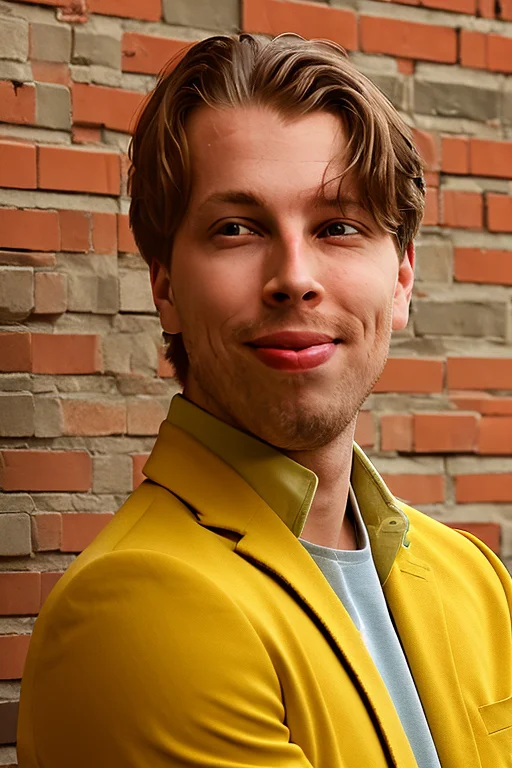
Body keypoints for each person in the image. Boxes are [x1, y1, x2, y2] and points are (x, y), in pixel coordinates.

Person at [17, 34, 512, 768]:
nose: (294, 277)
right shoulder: (136, 611)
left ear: (403, 279)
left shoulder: (477, 580)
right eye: (236, 229)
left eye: (338, 226)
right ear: (165, 289)